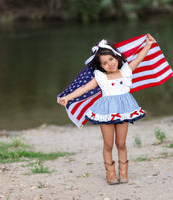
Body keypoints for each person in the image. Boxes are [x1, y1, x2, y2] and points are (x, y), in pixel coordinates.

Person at [58, 34, 156, 185]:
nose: (109, 64)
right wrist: (68, 97)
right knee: (108, 144)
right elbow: (84, 88)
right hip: (106, 112)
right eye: (104, 63)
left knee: (121, 143)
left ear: (116, 57)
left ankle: (123, 172)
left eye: (111, 59)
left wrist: (148, 45)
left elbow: (138, 59)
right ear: (100, 66)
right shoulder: (100, 77)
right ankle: (110, 174)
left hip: (124, 109)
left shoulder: (125, 71)